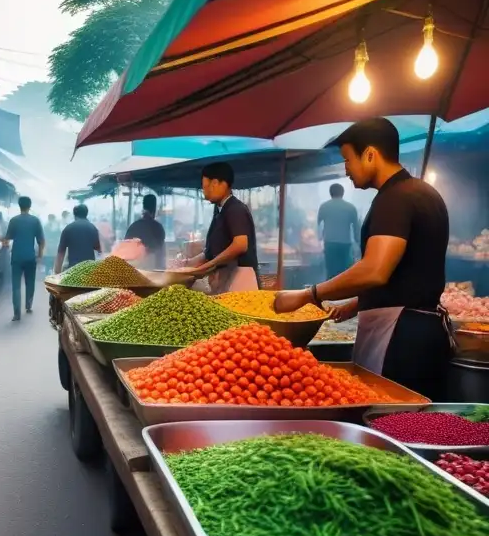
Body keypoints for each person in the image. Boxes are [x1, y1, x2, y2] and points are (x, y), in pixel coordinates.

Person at [275, 117, 452, 400]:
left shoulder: (393, 198)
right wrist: (356, 304)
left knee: (392, 420)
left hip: (399, 336)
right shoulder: (424, 194)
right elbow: (408, 272)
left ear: (370, 154)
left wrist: (308, 294)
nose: (346, 170)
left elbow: (374, 270)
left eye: (347, 160)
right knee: (417, 422)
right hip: (422, 330)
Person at [187, 161, 259, 293]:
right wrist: (187, 264)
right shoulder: (219, 210)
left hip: (242, 280)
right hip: (226, 279)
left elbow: (240, 244)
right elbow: (210, 251)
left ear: (215, 183)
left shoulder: (235, 209)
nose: (204, 192)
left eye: (204, 187)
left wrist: (209, 266)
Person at [1, 196, 44, 321]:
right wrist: (40, 255)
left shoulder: (14, 220)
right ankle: (28, 305)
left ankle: (16, 313)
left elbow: (7, 238)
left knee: (16, 285)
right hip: (30, 256)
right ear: (29, 206)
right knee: (30, 282)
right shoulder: (35, 221)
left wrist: (3, 243)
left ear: (19, 206)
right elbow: (41, 241)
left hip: (16, 256)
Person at [317, 183, 359, 280]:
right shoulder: (350, 207)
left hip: (329, 243)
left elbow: (319, 224)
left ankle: (330, 292)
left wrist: (319, 239)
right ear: (342, 193)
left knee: (331, 270)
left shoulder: (324, 206)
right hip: (345, 243)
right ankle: (343, 292)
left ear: (330, 193)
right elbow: (356, 227)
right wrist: (357, 243)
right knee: (344, 270)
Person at [54, 204, 101, 273]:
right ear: (86, 214)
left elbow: (61, 253)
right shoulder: (93, 228)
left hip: (73, 270)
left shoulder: (68, 229)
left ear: (74, 215)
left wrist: (57, 272)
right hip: (89, 270)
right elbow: (100, 249)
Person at [125, 194, 167, 270]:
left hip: (132, 272)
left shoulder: (133, 226)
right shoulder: (158, 228)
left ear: (143, 207)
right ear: (155, 209)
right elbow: (160, 257)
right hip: (153, 273)